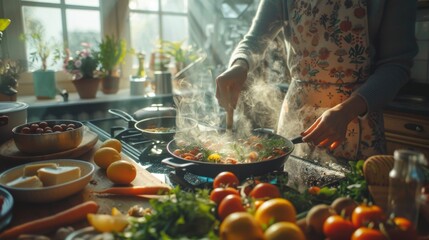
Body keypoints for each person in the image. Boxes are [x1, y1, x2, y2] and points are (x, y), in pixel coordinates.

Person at [215, 0, 418, 162]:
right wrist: (239, 66)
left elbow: (396, 66)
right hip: (295, 119)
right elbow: (254, 39)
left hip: (357, 122)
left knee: (354, 207)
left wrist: (346, 111)